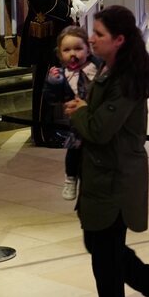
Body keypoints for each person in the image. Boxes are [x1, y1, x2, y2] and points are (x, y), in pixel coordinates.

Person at [64, 6, 149, 297]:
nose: (91, 39)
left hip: (116, 179)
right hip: (102, 175)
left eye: (99, 34)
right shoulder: (107, 67)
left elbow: (100, 129)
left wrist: (80, 112)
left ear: (119, 40)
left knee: (106, 261)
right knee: (99, 246)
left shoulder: (126, 80)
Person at [19, 0, 84, 146]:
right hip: (43, 30)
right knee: (44, 83)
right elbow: (43, 1)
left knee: (54, 80)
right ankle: (42, 133)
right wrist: (68, 10)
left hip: (54, 29)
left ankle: (51, 128)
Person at [43, 25, 99, 201]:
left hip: (96, 119)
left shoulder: (96, 68)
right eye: (67, 50)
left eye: (78, 48)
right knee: (73, 152)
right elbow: (52, 99)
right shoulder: (62, 75)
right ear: (59, 54)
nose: (73, 53)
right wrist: (52, 82)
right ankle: (70, 178)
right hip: (77, 124)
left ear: (87, 50)